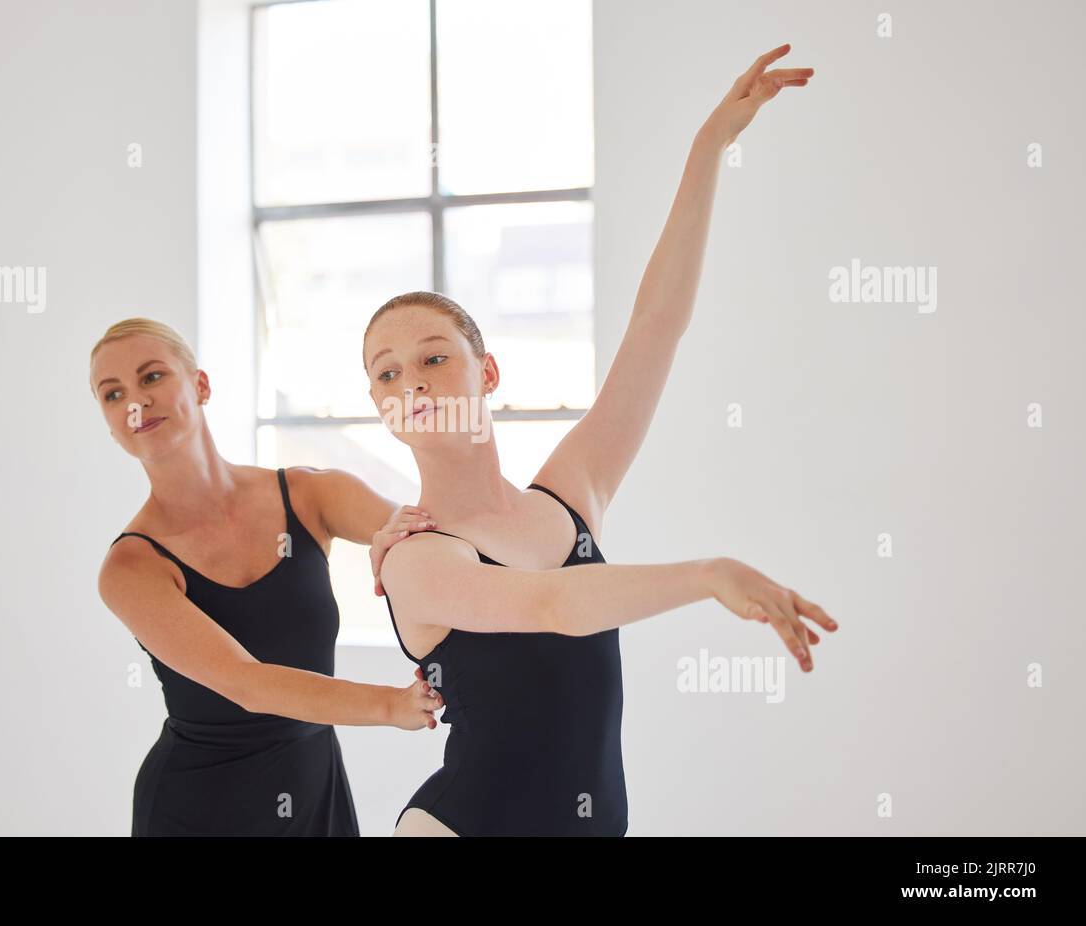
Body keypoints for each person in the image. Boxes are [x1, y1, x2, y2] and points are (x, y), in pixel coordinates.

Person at [369, 45, 837, 836]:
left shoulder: (569, 493)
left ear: (486, 370)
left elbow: (657, 326)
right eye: (386, 374)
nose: (410, 383)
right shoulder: (416, 558)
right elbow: (554, 605)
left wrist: (711, 144)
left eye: (433, 359)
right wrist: (708, 573)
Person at [91, 317, 443, 835]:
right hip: (197, 807)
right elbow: (246, 683)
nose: (135, 403)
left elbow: (431, 544)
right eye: (113, 393)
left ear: (200, 385)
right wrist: (391, 705)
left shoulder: (310, 496)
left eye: (151, 377)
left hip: (313, 788)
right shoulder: (130, 567)